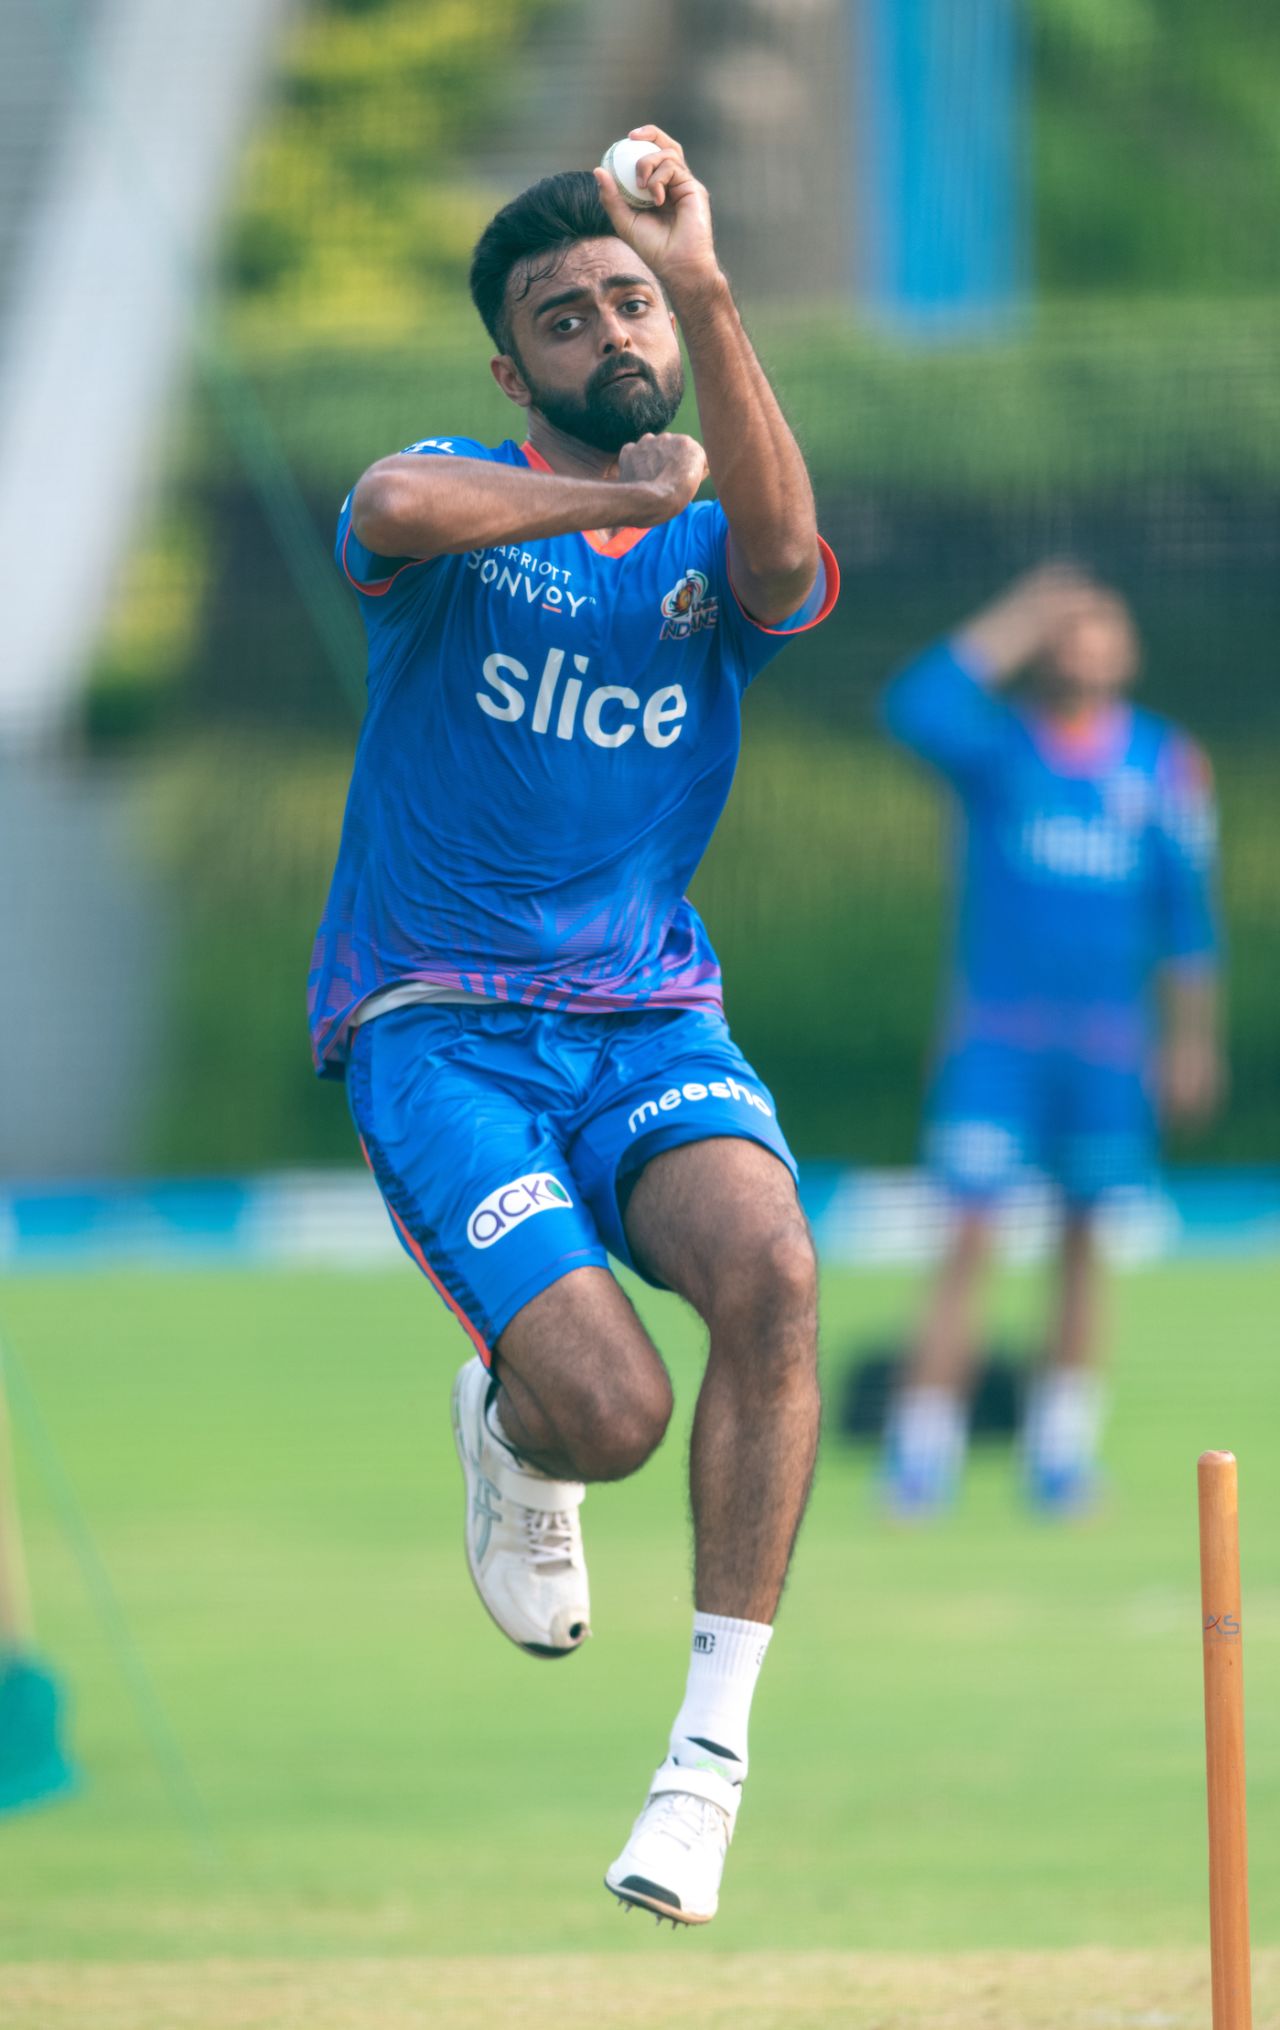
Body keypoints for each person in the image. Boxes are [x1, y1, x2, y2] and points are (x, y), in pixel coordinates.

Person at [307, 128, 838, 1924]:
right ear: (511, 365)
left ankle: (704, 1770)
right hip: (438, 1026)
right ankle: (525, 1435)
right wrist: (606, 499)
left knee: (770, 1267)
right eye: (566, 314)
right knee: (611, 1414)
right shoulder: (472, 491)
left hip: (645, 1015)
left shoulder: (716, 486)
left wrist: (704, 276)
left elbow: (779, 561)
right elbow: (393, 509)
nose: (607, 330)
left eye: (628, 301)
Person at [879, 566, 1223, 1517]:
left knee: (1082, 1244)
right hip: (999, 1040)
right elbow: (915, 704)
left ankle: (1060, 1454)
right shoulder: (1002, 753)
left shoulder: (1162, 767)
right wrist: (1021, 611)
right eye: (1066, 630)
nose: (1084, 641)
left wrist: (1192, 1041)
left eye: (1099, 626)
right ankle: (921, 1455)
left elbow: (1188, 920)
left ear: (1129, 651)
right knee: (969, 1238)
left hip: (1109, 1046)